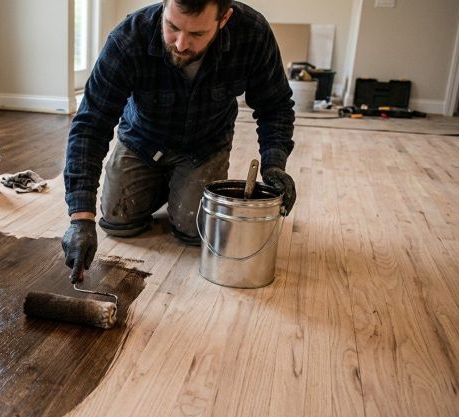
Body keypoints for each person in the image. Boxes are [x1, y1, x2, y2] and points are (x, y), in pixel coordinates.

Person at [62, 0, 296, 283]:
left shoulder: (252, 34)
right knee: (117, 222)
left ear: (224, 19)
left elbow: (275, 106)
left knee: (193, 231)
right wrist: (80, 218)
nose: (181, 44)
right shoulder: (128, 38)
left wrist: (274, 166)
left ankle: (178, 186)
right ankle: (165, 185)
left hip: (205, 145)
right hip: (142, 141)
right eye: (172, 27)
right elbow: (91, 124)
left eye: (197, 34)